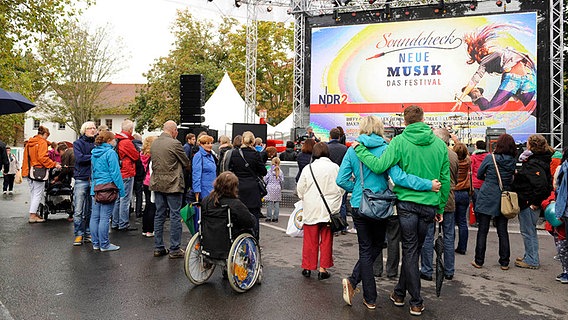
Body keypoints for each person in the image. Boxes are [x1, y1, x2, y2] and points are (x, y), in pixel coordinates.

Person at [353, 105, 450, 317]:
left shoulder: (398, 142)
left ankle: (415, 301)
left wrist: (359, 150)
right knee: (413, 252)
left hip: (406, 205)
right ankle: (399, 293)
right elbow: (445, 180)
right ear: (423, 119)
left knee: (410, 251)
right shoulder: (440, 145)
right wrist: (440, 206)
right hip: (429, 204)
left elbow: (380, 167)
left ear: (405, 122)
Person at [452, 23, 536, 113]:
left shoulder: (501, 52)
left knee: (533, 109)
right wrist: (461, 98)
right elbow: (474, 80)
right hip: (512, 81)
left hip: (525, 79)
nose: (488, 48)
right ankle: (476, 96)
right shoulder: (486, 61)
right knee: (489, 109)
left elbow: (522, 60)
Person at [297, 142, 344, 280]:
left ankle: (307, 267)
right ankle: (323, 269)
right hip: (329, 210)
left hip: (311, 208)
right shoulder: (335, 167)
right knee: (326, 240)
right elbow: (341, 187)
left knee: (310, 240)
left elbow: (300, 189)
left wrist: (305, 197)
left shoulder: (309, 168)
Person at [472, 133, 517, 270]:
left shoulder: (490, 158)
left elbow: (479, 174)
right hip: (504, 197)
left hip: (487, 195)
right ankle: (504, 262)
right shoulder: (512, 160)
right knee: (502, 230)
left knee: (483, 230)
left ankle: (479, 261)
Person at [420, 128, 458, 282]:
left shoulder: (431, 153)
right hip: (449, 198)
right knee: (449, 236)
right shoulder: (453, 155)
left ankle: (427, 270)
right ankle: (449, 270)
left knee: (428, 236)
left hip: (432, 196)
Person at [150, 120, 190, 259]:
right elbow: (185, 162)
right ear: (173, 131)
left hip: (157, 182)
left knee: (159, 214)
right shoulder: (175, 144)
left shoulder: (154, 143)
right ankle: (174, 248)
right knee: (174, 216)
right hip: (173, 184)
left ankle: (158, 247)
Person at [513, 134, 553, 269]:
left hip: (528, 202)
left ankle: (532, 259)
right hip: (530, 200)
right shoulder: (542, 160)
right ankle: (529, 255)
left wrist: (534, 202)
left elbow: (540, 185)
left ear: (532, 145)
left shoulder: (533, 163)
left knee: (528, 231)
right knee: (530, 231)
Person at [200, 172, 256, 257]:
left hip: (208, 242)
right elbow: (249, 222)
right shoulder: (235, 204)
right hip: (227, 243)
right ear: (234, 187)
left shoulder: (206, 201)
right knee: (249, 228)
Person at [226, 131, 267, 240]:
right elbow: (263, 171)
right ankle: (254, 240)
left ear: (242, 140)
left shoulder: (234, 154)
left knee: (238, 214)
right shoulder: (256, 155)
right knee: (254, 215)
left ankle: (238, 239)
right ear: (253, 141)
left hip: (238, 188)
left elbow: (230, 169)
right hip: (253, 189)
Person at [90, 131, 125, 252]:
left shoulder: (94, 153)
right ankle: (104, 244)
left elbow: (93, 171)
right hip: (108, 188)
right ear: (109, 140)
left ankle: (95, 243)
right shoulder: (111, 153)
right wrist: (121, 189)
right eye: (114, 139)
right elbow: (115, 173)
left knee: (95, 217)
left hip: (96, 187)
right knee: (105, 217)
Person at [22, 126, 61, 223]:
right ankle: (32, 215)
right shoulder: (42, 142)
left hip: (29, 170)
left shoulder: (31, 142)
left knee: (33, 193)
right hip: (39, 171)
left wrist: (50, 143)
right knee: (38, 194)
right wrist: (54, 164)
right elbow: (43, 158)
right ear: (45, 134)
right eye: (47, 137)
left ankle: (34, 212)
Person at [111, 119, 140, 232]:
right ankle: (123, 223)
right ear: (130, 129)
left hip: (118, 171)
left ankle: (115, 222)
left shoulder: (117, 140)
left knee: (117, 199)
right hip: (127, 171)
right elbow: (136, 156)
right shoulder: (126, 142)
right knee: (125, 199)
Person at [72, 121, 97, 243]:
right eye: (90, 128)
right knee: (78, 209)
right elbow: (79, 158)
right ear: (84, 130)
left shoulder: (97, 144)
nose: (93, 130)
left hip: (93, 179)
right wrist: (93, 156)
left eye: (94, 128)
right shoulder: (77, 143)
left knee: (90, 209)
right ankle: (78, 233)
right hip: (81, 178)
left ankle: (87, 232)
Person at [192, 134, 218, 233]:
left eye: (211, 143)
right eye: (207, 143)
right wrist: (197, 191)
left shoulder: (211, 155)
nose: (210, 145)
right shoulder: (199, 156)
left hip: (212, 189)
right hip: (203, 190)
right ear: (201, 144)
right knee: (202, 214)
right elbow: (196, 174)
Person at [328, 127, 348, 235]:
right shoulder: (344, 149)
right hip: (342, 177)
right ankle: (343, 227)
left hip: (329, 178)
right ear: (339, 137)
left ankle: (333, 226)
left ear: (330, 136)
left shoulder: (326, 148)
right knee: (343, 203)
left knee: (331, 202)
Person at [453, 143, 472, 255]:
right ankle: (462, 247)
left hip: (454, 191)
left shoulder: (452, 162)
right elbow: (467, 155)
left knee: (451, 222)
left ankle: (450, 245)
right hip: (464, 192)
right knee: (462, 222)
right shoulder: (467, 161)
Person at [140, 136, 158, 237]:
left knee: (147, 205)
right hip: (152, 181)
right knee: (152, 206)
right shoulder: (153, 155)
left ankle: (145, 228)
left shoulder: (142, 154)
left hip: (145, 181)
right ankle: (150, 230)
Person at [471, 140, 489, 226]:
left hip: (476, 183)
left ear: (477, 147)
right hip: (486, 183)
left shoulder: (473, 157)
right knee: (486, 202)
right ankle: (486, 220)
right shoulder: (489, 156)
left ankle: (478, 221)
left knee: (476, 203)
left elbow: (470, 170)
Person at [264, 157, 283, 223]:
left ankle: (269, 217)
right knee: (276, 204)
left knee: (269, 204)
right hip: (277, 188)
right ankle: (275, 218)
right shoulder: (280, 171)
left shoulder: (269, 170)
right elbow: (282, 180)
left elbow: (265, 179)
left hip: (270, 187)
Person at [132, 133, 144, 218]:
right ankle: (138, 211)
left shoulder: (131, 147)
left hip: (131, 172)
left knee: (128, 194)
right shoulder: (142, 148)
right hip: (140, 174)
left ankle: (130, 208)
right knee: (139, 194)